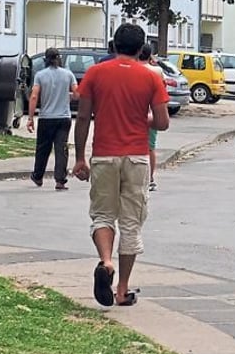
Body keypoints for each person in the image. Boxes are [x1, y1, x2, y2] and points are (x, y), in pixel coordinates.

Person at [72, 23, 170, 308]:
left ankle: (106, 261)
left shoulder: (94, 73)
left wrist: (80, 157)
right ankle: (122, 290)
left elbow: (82, 118)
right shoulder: (150, 77)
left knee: (102, 215)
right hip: (137, 156)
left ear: (113, 46)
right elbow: (162, 122)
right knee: (131, 223)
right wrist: (144, 120)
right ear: (142, 50)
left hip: (104, 154)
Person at [28, 48, 77, 190]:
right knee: (61, 148)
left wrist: (30, 118)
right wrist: (67, 96)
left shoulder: (40, 75)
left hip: (46, 117)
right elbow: (77, 93)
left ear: (46, 59)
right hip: (64, 117)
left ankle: (38, 176)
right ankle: (60, 180)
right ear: (59, 58)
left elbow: (34, 96)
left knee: (43, 148)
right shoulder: (68, 74)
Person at [138, 44, 164, 192]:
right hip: (151, 113)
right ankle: (150, 178)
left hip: (135, 114)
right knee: (150, 147)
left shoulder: (133, 69)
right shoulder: (157, 71)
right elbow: (162, 90)